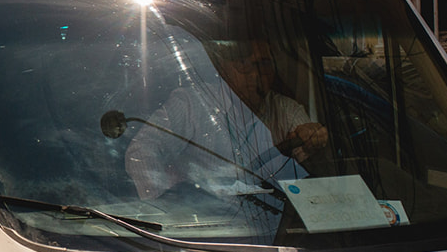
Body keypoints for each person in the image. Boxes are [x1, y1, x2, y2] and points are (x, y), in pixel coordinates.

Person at [124, 39, 310, 203]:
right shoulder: (192, 103)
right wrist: (165, 201)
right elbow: (142, 150)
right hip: (203, 222)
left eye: (264, 64)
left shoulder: (286, 110)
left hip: (270, 215)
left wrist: (313, 141)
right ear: (224, 69)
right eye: (244, 64)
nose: (256, 75)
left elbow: (311, 160)